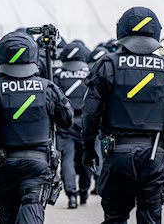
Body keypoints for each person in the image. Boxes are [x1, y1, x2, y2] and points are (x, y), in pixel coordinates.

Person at [82, 7, 164, 223]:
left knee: (115, 216)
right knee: (150, 216)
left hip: (116, 154)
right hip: (154, 155)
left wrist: (88, 149)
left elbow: (90, 114)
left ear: (121, 31)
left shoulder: (107, 65)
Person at [0, 31, 74, 223]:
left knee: (7, 217)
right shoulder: (47, 88)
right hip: (39, 165)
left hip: (5, 166)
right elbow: (67, 120)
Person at [53, 41, 91, 209]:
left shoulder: (58, 74)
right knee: (86, 159)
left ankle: (72, 196)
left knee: (67, 160)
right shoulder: (89, 73)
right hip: (85, 121)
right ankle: (84, 191)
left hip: (65, 122)